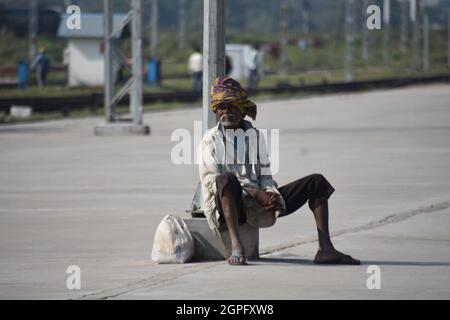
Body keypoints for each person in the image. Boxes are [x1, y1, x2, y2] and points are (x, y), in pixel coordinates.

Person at [199, 77, 361, 266]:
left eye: (232, 106)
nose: (226, 111)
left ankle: (325, 248)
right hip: (231, 206)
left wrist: (270, 194)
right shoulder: (210, 140)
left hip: (257, 204)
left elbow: (265, 176)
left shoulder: (255, 137)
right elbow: (210, 182)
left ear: (242, 110)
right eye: (221, 107)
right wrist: (253, 192)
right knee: (225, 179)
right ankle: (237, 246)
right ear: (216, 111)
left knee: (317, 182)